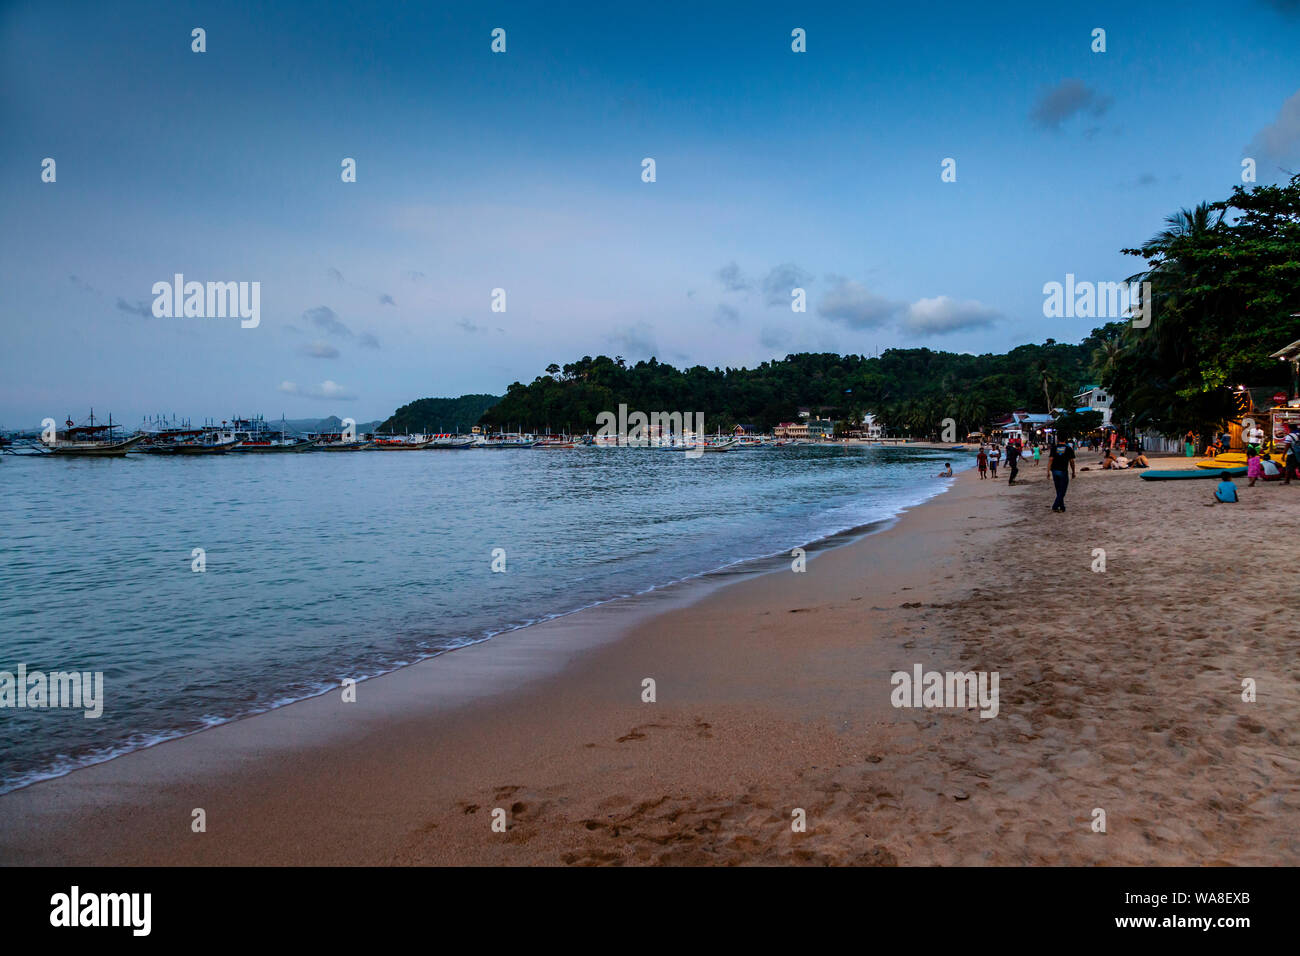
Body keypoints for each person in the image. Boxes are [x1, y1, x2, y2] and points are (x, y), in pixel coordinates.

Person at [1048, 438, 1076, 512]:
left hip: (1054, 470)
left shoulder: (1054, 448)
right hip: (1063, 471)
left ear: (1058, 439)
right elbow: (1071, 461)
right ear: (1065, 439)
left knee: (1059, 490)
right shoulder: (1068, 448)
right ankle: (1055, 506)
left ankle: (1062, 506)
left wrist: (1047, 471)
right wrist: (1073, 471)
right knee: (1062, 490)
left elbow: (1051, 459)